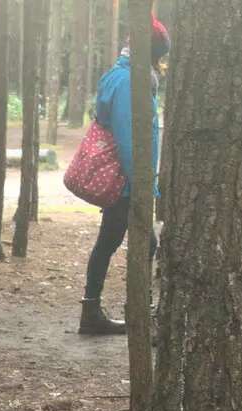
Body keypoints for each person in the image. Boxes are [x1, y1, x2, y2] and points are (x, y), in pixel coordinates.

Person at [79, 17, 171, 335]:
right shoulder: (129, 82)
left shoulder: (122, 76)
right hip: (126, 184)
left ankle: (94, 311)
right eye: (159, 56)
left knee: (111, 241)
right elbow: (129, 140)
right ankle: (140, 315)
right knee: (144, 243)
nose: (161, 64)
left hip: (126, 182)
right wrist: (143, 185)